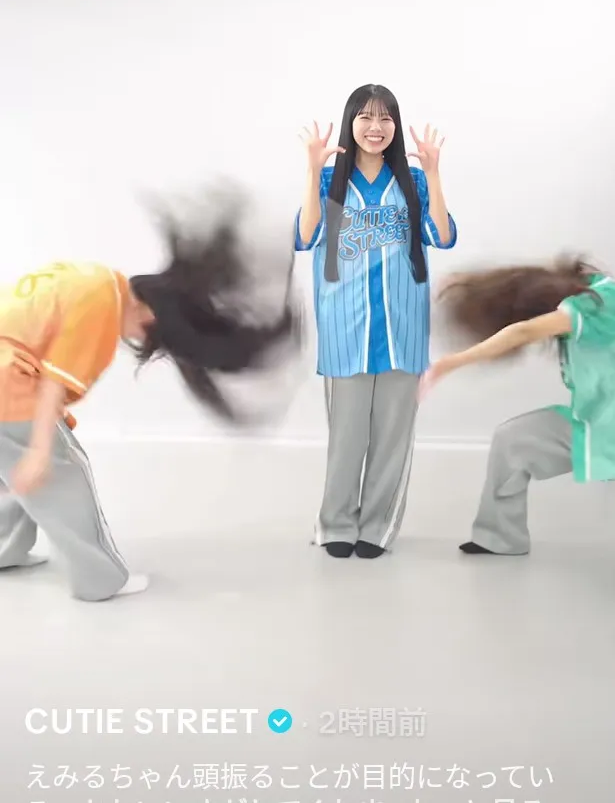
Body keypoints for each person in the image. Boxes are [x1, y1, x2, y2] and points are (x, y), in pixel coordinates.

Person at [0, 194, 302, 599]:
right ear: (153, 315)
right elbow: (54, 379)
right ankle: (100, 580)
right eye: (151, 337)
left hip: (9, 377)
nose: (140, 341)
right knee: (64, 474)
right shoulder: (102, 304)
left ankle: (6, 549)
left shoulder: (98, 279)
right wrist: (41, 449)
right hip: (7, 382)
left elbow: (39, 349)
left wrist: (45, 436)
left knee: (19, 468)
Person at [295, 83, 457, 559]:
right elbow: (305, 236)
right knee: (346, 437)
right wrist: (311, 170)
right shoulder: (330, 180)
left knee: (392, 437)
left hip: (402, 324)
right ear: (351, 123)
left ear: (394, 126)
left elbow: (442, 236)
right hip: (346, 325)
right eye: (365, 117)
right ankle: (336, 525)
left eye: (385, 118)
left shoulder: (412, 180)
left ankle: (377, 528)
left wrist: (434, 174)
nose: (375, 127)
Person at [420, 255, 615, 555]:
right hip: (595, 421)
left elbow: (523, 331)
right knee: (513, 440)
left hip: (607, 428)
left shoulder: (589, 307)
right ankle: (500, 538)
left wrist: (447, 364)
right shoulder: (596, 290)